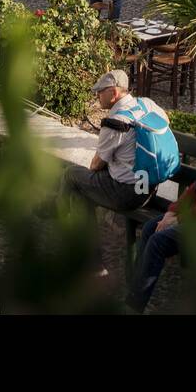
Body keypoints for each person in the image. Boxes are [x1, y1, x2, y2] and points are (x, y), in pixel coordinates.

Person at [126, 117, 196, 313]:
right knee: (152, 227)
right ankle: (134, 294)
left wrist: (179, 219)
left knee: (158, 241)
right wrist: (172, 212)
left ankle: (134, 306)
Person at [62, 71, 151, 267]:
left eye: (99, 92)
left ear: (113, 92)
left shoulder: (116, 122)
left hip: (127, 193)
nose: (97, 96)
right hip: (149, 189)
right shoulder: (146, 105)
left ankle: (58, 212)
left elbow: (95, 165)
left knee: (72, 175)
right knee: (82, 192)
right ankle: (91, 262)